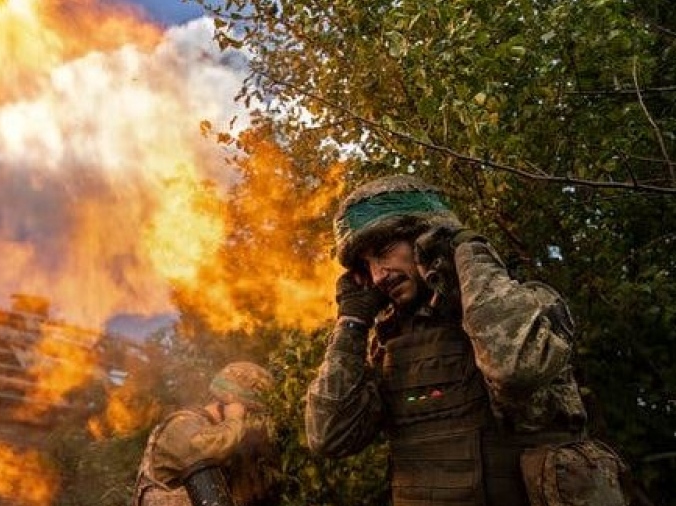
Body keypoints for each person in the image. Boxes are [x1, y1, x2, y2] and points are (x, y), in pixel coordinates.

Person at [305, 174, 628, 506]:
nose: (378, 275)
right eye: (367, 265)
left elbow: (513, 369)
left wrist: (466, 251)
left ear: (427, 239)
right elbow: (328, 437)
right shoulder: (388, 346)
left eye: (385, 252)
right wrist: (352, 323)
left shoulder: (532, 306)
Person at [132, 361, 279, 506]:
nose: (249, 422)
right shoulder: (181, 425)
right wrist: (235, 419)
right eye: (250, 413)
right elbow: (204, 450)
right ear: (231, 406)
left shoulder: (221, 435)